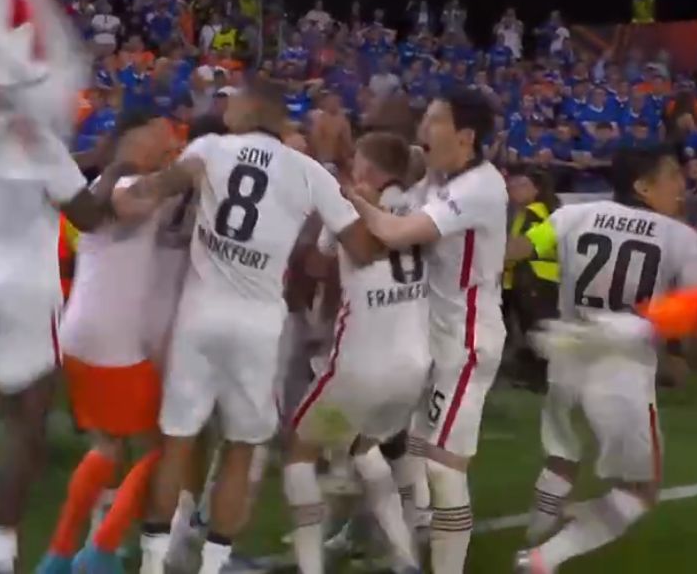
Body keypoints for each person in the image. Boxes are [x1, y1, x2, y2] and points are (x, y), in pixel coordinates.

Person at [113, 78, 376, 574]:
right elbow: (363, 248)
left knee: (178, 441)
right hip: (257, 324)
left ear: (252, 110)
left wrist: (125, 186)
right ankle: (213, 567)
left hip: (199, 315)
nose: (225, 111)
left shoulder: (210, 148)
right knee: (241, 447)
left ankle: (152, 564)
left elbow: (147, 192)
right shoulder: (307, 171)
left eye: (232, 104)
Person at [0, 103, 138, 574]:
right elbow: (88, 215)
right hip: (22, 287)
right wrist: (115, 168)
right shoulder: (42, 142)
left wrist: (88, 157)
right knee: (25, 426)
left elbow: (26, 172)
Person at [506, 146, 697, 574]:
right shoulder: (681, 237)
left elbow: (518, 249)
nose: (680, 185)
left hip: (566, 354)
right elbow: (695, 320)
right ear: (642, 186)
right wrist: (682, 356)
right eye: (671, 176)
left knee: (562, 458)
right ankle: (542, 559)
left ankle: (531, 534)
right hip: (623, 372)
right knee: (640, 491)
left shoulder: (572, 215)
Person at [345, 88, 508, 574]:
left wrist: (346, 196)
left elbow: (395, 232)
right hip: (428, 333)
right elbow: (402, 193)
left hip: (467, 341)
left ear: (465, 136)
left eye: (435, 120)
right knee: (407, 445)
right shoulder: (438, 179)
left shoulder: (479, 186)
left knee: (443, 464)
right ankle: (406, 542)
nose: (423, 130)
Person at [38, 113, 184, 574]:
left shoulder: (103, 183)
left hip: (81, 330)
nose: (170, 144)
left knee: (107, 447)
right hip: (112, 338)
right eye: (161, 135)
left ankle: (64, 553)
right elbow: (128, 205)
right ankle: (99, 550)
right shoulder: (129, 184)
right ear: (135, 140)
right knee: (161, 447)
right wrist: (191, 170)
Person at [284, 132, 429, 574]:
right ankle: (406, 559)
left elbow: (319, 262)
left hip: (361, 366)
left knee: (299, 454)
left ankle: (310, 567)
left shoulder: (349, 204)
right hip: (413, 365)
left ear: (368, 168)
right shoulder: (425, 207)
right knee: (366, 449)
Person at [504, 168, 560, 391]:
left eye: (521, 186)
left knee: (535, 330)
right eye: (512, 186)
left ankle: (540, 378)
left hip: (534, 277)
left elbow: (521, 248)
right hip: (543, 277)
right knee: (537, 330)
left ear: (536, 190)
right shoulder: (540, 212)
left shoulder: (534, 213)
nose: (513, 190)